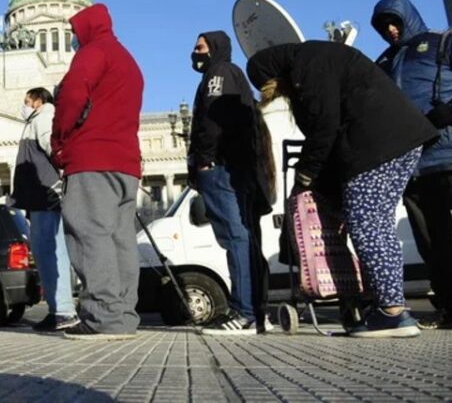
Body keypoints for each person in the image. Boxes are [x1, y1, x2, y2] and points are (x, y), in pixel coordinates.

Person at [247, 42, 437, 338]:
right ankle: (389, 307)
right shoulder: (318, 57)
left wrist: (306, 175)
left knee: (368, 226)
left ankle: (393, 312)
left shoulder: (307, 64)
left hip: (377, 144)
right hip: (400, 140)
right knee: (378, 224)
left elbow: (324, 126)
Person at [51, 3, 144, 340]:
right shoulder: (128, 61)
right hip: (126, 164)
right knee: (121, 239)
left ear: (86, 29)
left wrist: (59, 138)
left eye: (75, 33)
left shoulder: (93, 53)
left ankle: (102, 316)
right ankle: (122, 314)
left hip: (93, 158)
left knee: (89, 232)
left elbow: (73, 95)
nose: (74, 40)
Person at [371, 0, 452, 329]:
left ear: (408, 17)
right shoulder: (383, 63)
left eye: (395, 21)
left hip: (447, 156)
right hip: (410, 167)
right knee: (430, 240)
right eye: (384, 25)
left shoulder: (441, 42)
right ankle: (448, 305)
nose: (391, 29)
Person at [187, 31, 274, 335]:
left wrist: (204, 159)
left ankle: (244, 312)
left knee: (235, 238)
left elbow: (211, 120)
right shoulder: (233, 74)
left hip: (222, 168)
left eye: (199, 47)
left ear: (215, 48)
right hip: (239, 168)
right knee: (246, 239)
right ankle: (257, 312)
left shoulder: (218, 74)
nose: (194, 53)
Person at [10, 87, 78, 332]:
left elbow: (53, 148)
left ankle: (63, 310)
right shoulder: (36, 120)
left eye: (27, 100)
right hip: (39, 194)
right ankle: (58, 308)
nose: (24, 105)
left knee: (49, 250)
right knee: (47, 251)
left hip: (45, 194)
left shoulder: (44, 117)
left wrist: (59, 179)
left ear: (38, 101)